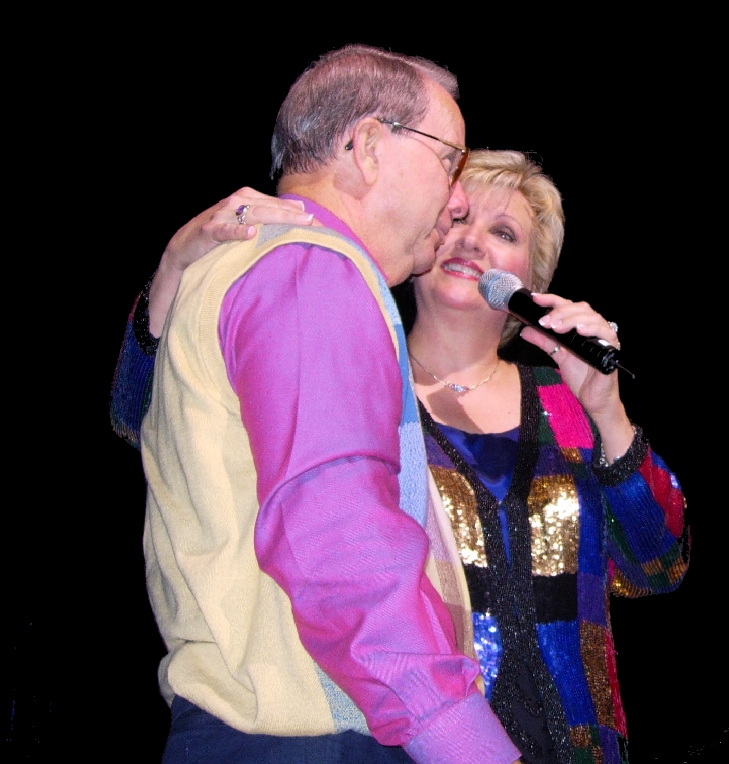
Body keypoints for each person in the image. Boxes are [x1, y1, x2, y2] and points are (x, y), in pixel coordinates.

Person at [114, 147, 688, 763]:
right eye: (456, 218)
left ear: (532, 277)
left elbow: (659, 567)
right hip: (424, 745)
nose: (471, 241)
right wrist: (173, 268)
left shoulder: (564, 402)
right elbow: (137, 414)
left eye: (503, 233)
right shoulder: (354, 382)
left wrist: (607, 411)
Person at [123, 45, 524, 764]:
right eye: (448, 159)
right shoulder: (314, 269)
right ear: (368, 146)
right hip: (309, 742)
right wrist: (466, 744)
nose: (459, 197)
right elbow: (337, 541)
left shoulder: (250, 265)